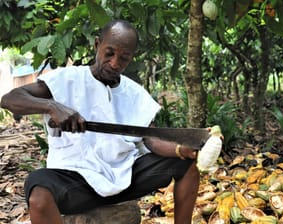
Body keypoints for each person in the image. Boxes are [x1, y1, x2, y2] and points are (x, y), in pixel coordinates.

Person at [0, 19, 200, 224]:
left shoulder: (135, 94)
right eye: (109, 53)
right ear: (97, 45)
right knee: (38, 191)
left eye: (124, 58)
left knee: (185, 165)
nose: (115, 63)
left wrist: (180, 150)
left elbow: (150, 139)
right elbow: (9, 99)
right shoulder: (66, 79)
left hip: (126, 179)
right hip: (76, 183)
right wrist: (52, 107)